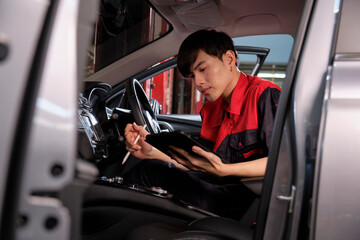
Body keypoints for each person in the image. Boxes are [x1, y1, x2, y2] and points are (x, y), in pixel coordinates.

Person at [123, 29, 281, 219]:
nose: (197, 82)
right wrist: (151, 152)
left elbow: (283, 163)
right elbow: (200, 165)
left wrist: (225, 170)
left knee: (148, 173)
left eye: (203, 69)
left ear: (229, 60)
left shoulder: (264, 96)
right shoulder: (212, 107)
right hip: (213, 186)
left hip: (242, 205)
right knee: (151, 167)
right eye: (192, 75)